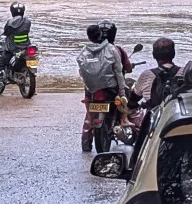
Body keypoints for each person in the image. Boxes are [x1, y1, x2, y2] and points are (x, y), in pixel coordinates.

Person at [77, 24, 127, 152]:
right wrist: (122, 92)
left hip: (91, 90)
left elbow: (82, 72)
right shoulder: (112, 49)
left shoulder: (84, 51)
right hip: (110, 89)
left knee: (89, 116)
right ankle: (124, 121)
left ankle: (86, 144)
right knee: (123, 100)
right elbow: (119, 72)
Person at [131, 38, 182, 109]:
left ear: (154, 55)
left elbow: (133, 98)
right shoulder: (185, 73)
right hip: (178, 116)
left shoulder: (146, 75)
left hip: (154, 117)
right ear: (173, 54)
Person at [0, 1, 31, 81]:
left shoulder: (9, 22)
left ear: (12, 11)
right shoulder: (27, 22)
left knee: (0, 63)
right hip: (25, 47)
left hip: (12, 49)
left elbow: (6, 32)